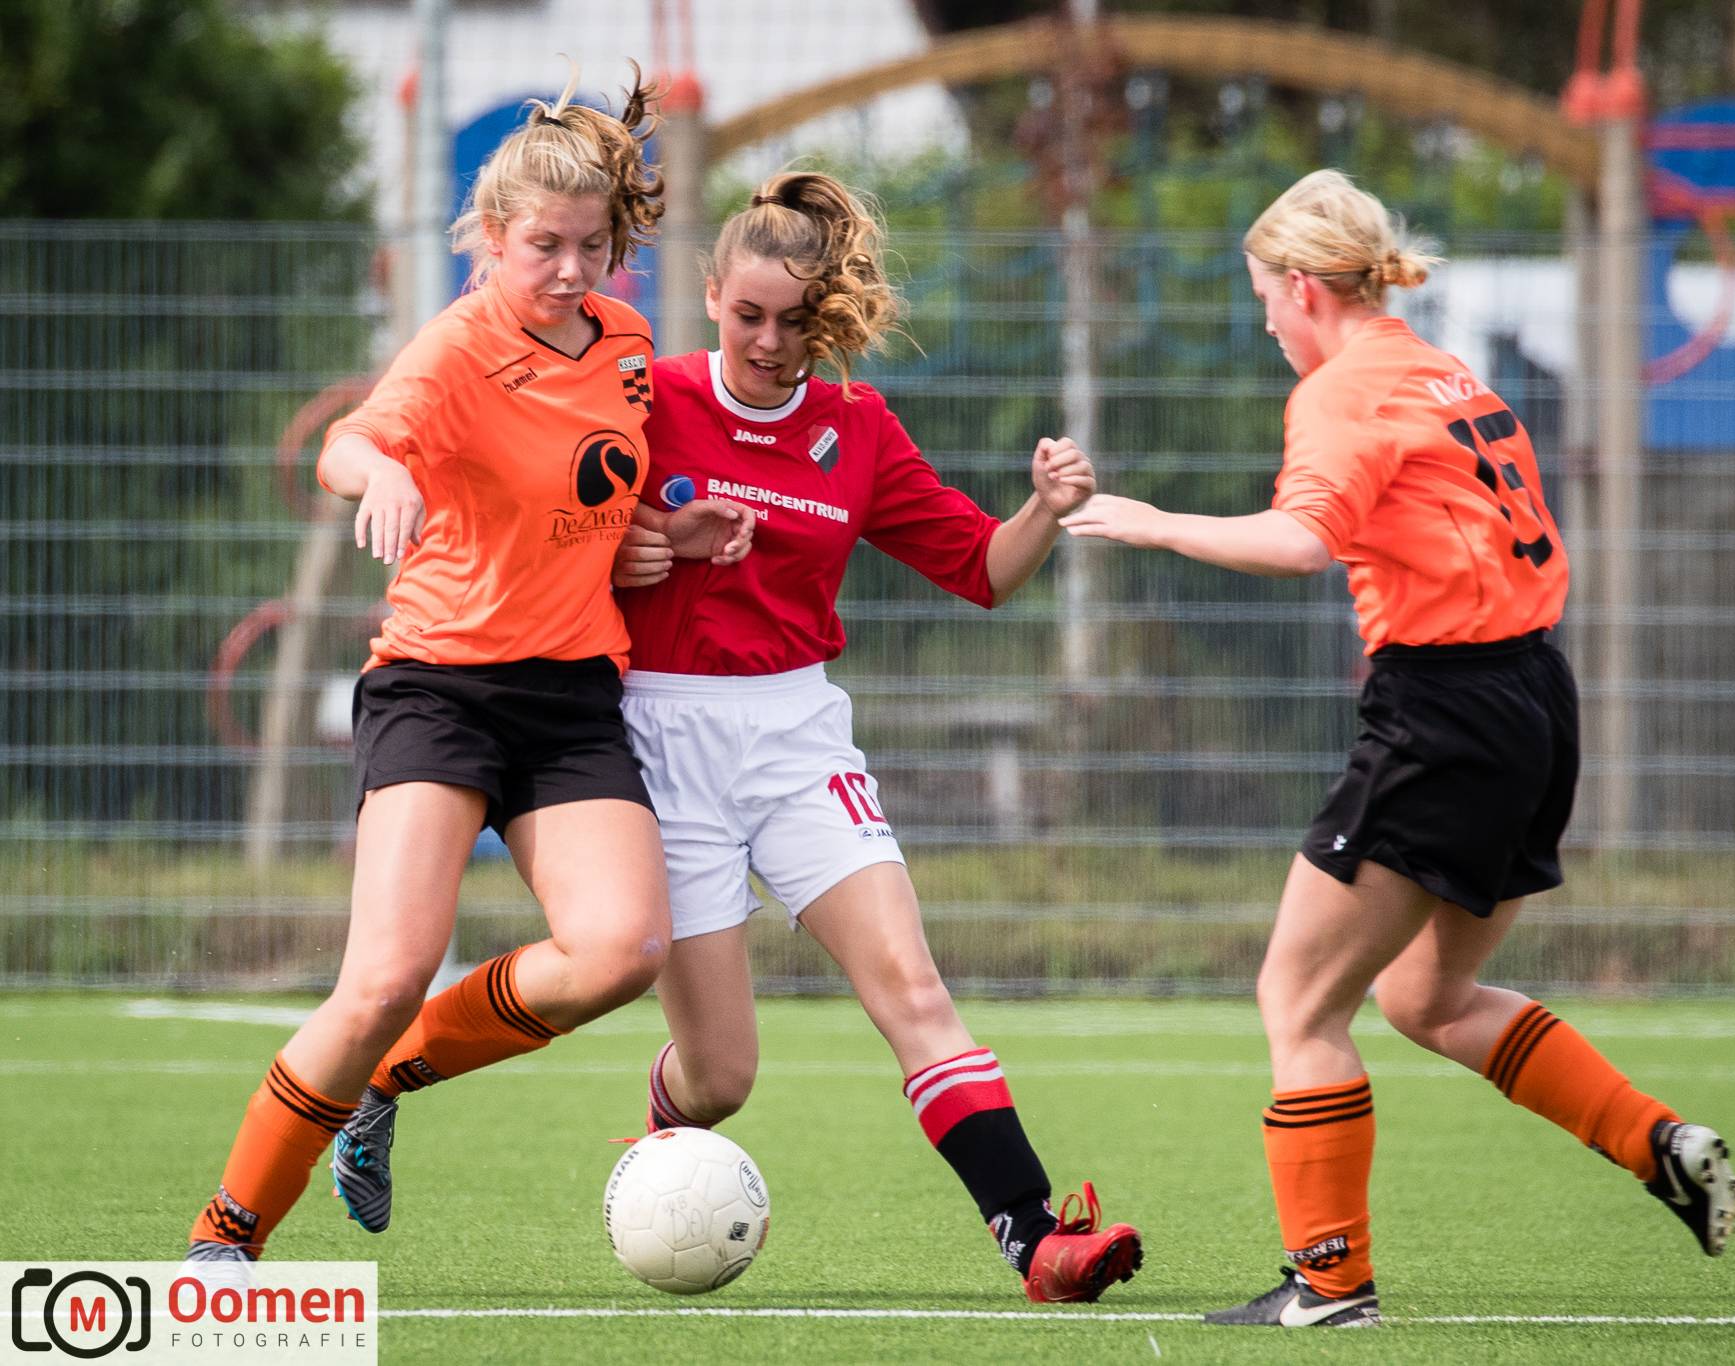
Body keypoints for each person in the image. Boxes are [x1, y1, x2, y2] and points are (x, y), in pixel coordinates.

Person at [1059, 169, 1735, 1328]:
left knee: (1296, 998)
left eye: (1263, 298)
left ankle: (1326, 1284)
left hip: (1443, 710)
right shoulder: (1441, 370)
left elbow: (1300, 541)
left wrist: (1152, 521)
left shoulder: (1341, 390)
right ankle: (1655, 1142)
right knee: (1428, 995)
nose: (1266, 323)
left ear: (1302, 287)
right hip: (1534, 698)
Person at [186, 71, 752, 1262]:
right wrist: (383, 470)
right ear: (491, 237)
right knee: (384, 974)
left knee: (620, 951)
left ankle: (387, 1079)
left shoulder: (628, 342)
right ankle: (224, 1241)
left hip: (571, 694)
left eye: (592, 246)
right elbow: (349, 446)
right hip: (438, 689)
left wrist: (667, 532)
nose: (570, 269)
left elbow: (593, 498)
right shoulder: (453, 349)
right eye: (544, 245)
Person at [602, 170, 1141, 1305]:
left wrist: (1044, 511)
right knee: (722, 1076)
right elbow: (559, 534)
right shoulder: (642, 396)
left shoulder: (856, 428)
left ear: (828, 317)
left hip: (797, 735)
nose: (769, 341)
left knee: (911, 985)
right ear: (710, 295)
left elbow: (982, 569)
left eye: (796, 320)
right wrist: (640, 544)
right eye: (748, 315)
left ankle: (1036, 1239)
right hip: (659, 740)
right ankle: (665, 1121)